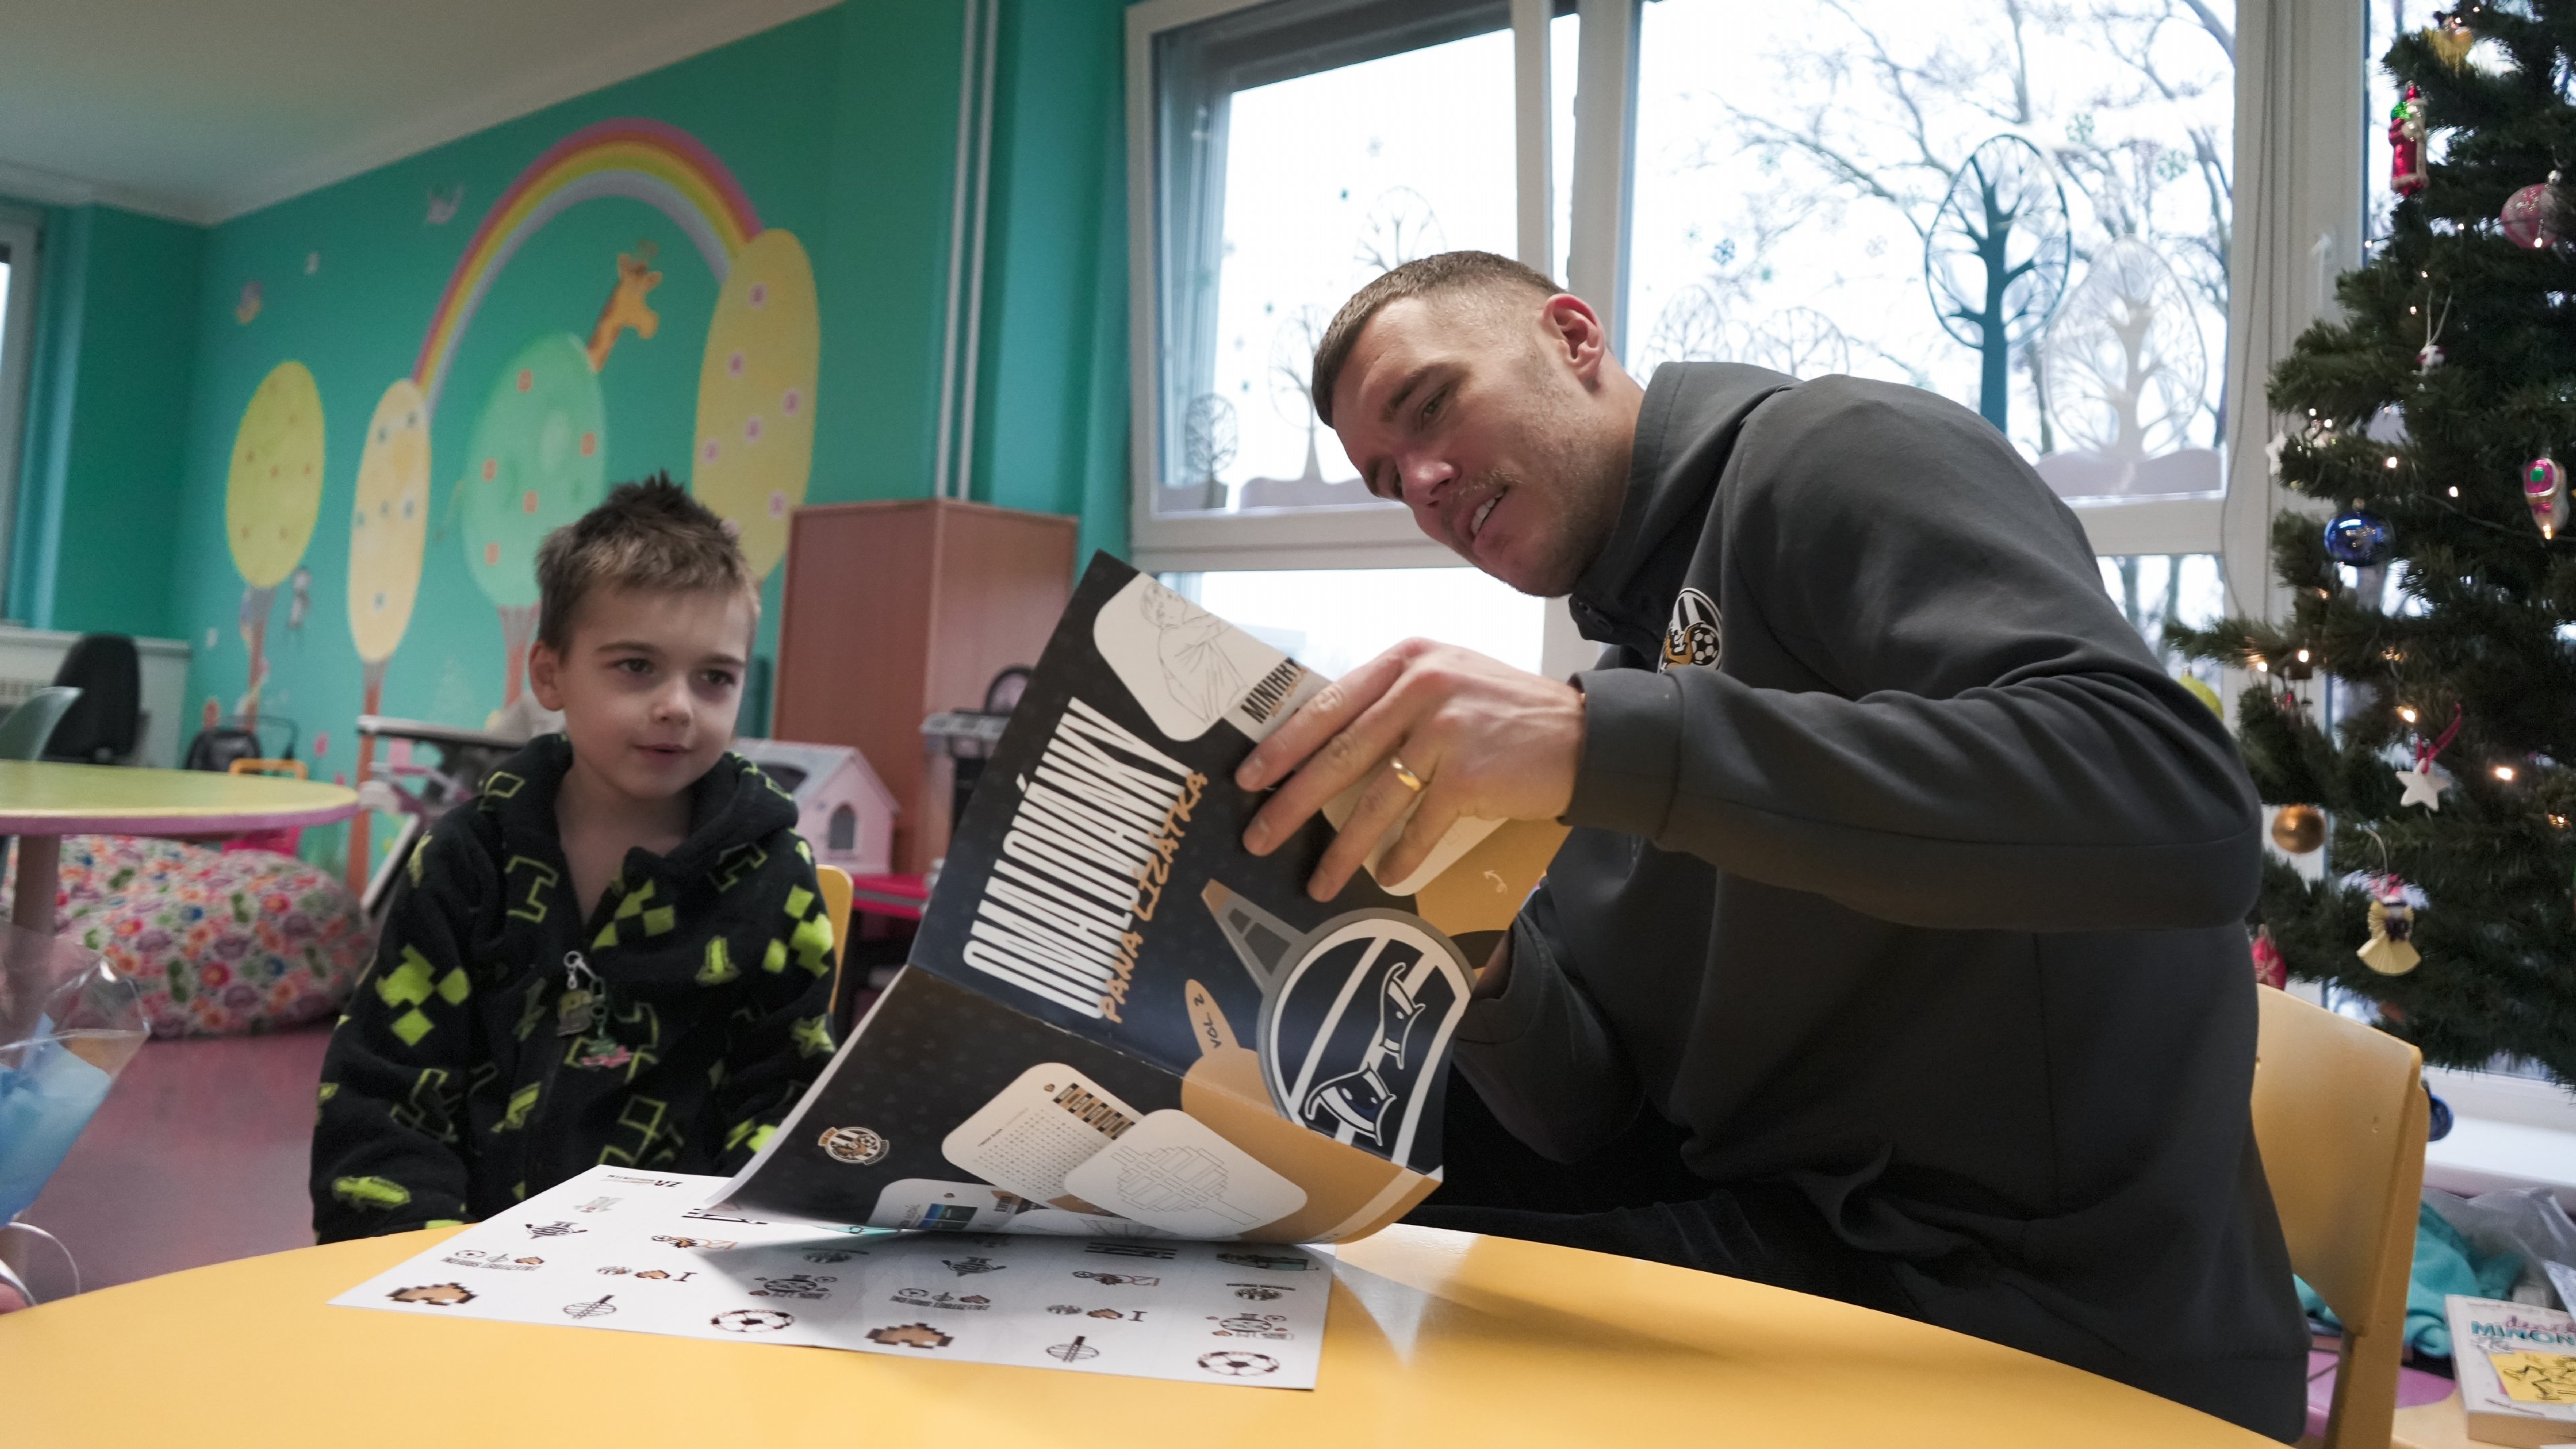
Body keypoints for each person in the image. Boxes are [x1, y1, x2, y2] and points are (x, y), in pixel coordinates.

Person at [1236, 251, 2306, 1438]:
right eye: (1389, 481)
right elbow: (1594, 1119)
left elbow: (2180, 806)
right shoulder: (1631, 669)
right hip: (1805, 1245)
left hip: (2044, 1317)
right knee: (1288, 1285)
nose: (1426, 484)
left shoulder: (1830, 451)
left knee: (1370, 1356)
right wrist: (1471, 948)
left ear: (1574, 338)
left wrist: (1599, 744)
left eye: (1432, 404)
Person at [311, 476, 839, 1242]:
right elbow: (385, 1093)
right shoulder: (467, 859)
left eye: (715, 678)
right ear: (550, 674)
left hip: (678, 1274)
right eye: (636, 666)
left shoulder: (774, 875)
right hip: (461, 1268)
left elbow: (786, 1101)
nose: (678, 706)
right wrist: (418, 1254)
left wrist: (736, 1251)